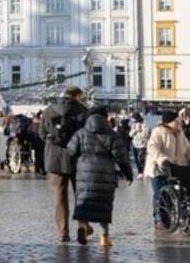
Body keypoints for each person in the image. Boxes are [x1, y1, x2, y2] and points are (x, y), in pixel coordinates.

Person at [68, 106, 134, 247]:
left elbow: (71, 150)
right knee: (103, 205)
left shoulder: (81, 133)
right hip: (105, 172)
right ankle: (104, 238)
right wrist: (129, 174)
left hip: (84, 171)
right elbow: (121, 157)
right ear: (105, 118)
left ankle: (83, 227)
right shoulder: (112, 135)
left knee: (84, 201)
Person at [38, 85, 89, 243]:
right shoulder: (82, 111)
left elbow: (41, 134)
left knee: (60, 197)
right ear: (76, 97)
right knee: (80, 195)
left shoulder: (49, 111)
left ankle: (63, 232)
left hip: (55, 158)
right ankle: (82, 224)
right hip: (77, 159)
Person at [145, 109, 190, 231]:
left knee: (178, 194)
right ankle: (159, 220)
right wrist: (162, 159)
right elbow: (152, 147)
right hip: (158, 169)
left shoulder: (179, 132)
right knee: (160, 195)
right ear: (169, 122)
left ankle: (182, 217)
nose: (179, 122)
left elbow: (188, 149)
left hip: (175, 168)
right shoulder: (158, 132)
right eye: (176, 120)